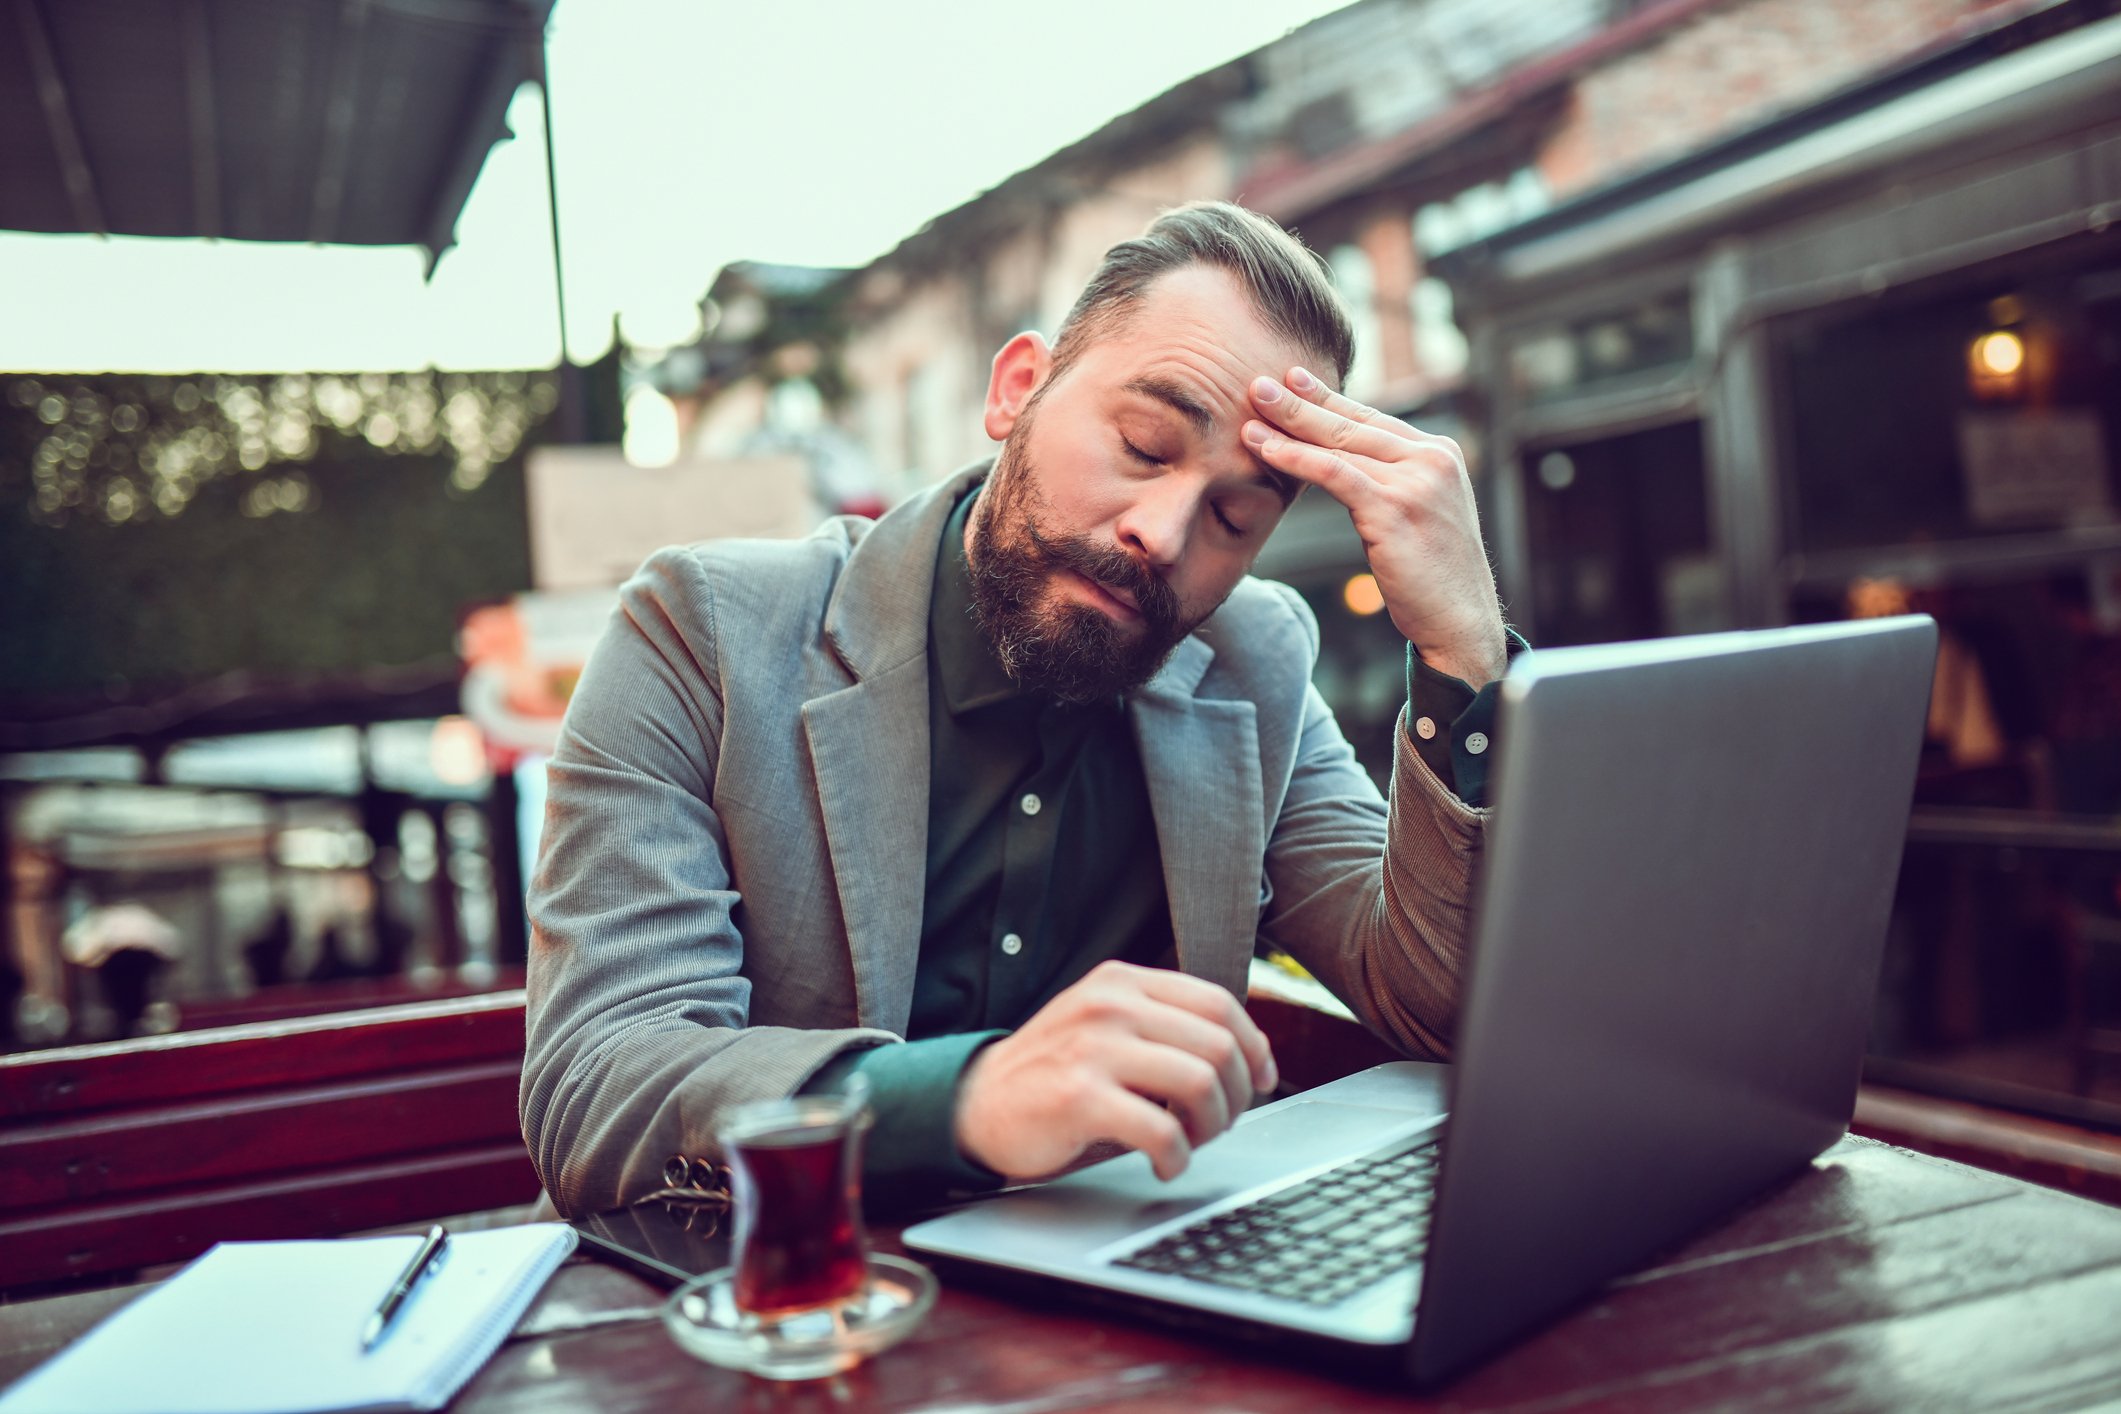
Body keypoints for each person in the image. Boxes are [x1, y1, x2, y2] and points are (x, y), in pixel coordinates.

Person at [522, 202, 1516, 1218]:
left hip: (1108, 1319)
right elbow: (597, 1083)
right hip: (781, 1311)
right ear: (1016, 391)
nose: (1165, 534)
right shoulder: (702, 633)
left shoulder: (1251, 659)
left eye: (1234, 515)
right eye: (1143, 443)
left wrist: (1462, 650)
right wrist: (963, 1099)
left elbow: (1430, 996)